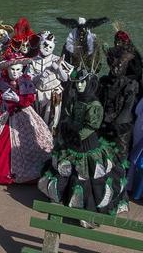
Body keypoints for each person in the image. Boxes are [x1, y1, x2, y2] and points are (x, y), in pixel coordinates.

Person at [38, 70, 129, 222]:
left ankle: (86, 209)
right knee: (67, 171)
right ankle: (67, 201)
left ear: (89, 83)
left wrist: (76, 135)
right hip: (73, 143)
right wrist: (67, 129)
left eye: (82, 82)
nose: (79, 85)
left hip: (87, 145)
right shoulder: (75, 100)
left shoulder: (94, 105)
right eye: (77, 83)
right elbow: (69, 116)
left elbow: (91, 126)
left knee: (87, 176)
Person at [0, 51, 53, 184]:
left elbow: (30, 98)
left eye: (18, 69)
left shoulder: (26, 81)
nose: (15, 72)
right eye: (12, 69)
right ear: (7, 69)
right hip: (3, 115)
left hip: (21, 114)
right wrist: (2, 98)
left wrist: (19, 99)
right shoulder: (3, 81)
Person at [99, 31, 140, 161]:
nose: (114, 67)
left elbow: (127, 109)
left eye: (119, 41)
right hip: (109, 117)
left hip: (122, 120)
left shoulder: (131, 56)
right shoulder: (105, 82)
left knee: (121, 151)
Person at [27, 31, 73, 133]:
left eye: (50, 47)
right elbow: (29, 79)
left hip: (53, 95)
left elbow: (65, 78)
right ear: (40, 45)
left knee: (52, 122)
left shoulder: (57, 59)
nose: (47, 48)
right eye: (45, 45)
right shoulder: (33, 61)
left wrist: (58, 69)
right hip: (37, 95)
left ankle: (51, 143)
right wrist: (40, 76)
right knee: (36, 122)